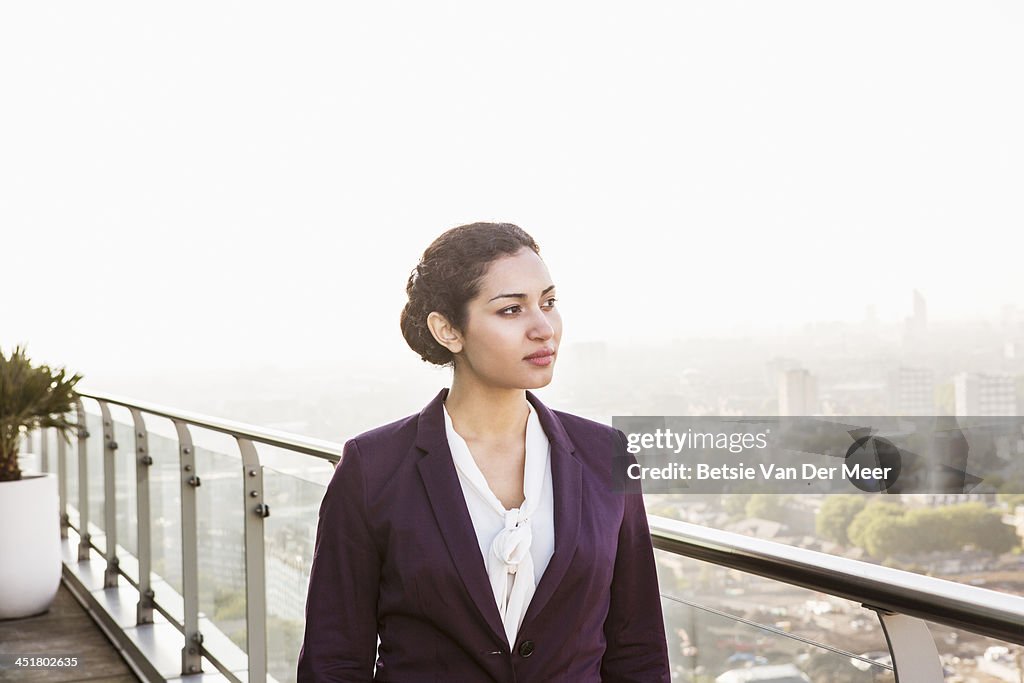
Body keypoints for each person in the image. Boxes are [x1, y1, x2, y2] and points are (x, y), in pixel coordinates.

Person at [297, 222, 670, 682]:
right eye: (511, 310)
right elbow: (334, 659)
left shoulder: (604, 453)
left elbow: (639, 648)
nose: (542, 328)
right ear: (448, 330)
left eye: (548, 303)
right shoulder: (372, 468)